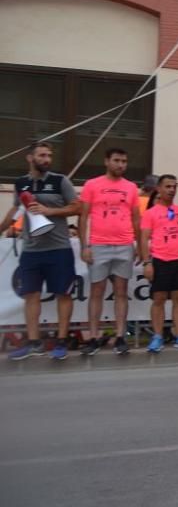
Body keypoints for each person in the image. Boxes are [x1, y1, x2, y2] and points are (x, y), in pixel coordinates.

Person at [2, 141, 80, 360]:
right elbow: (15, 212)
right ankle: (34, 342)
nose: (47, 159)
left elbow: (77, 207)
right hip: (31, 250)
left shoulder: (60, 180)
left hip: (59, 249)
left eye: (49, 155)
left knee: (63, 294)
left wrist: (49, 210)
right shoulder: (21, 183)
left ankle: (62, 341)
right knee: (30, 295)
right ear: (30, 158)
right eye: (42, 155)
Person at [79, 147, 140, 356]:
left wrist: (139, 246)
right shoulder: (92, 185)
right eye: (116, 160)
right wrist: (84, 246)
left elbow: (136, 219)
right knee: (96, 291)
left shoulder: (131, 187)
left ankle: (121, 336)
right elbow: (83, 217)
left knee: (121, 292)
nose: (120, 165)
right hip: (98, 244)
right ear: (107, 161)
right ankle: (93, 337)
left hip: (124, 244)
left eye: (124, 161)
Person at [140, 175, 178, 352]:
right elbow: (144, 239)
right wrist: (147, 263)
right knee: (158, 299)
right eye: (167, 186)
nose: (171, 190)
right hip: (160, 260)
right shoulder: (151, 213)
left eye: (174, 186)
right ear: (158, 189)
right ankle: (157, 336)